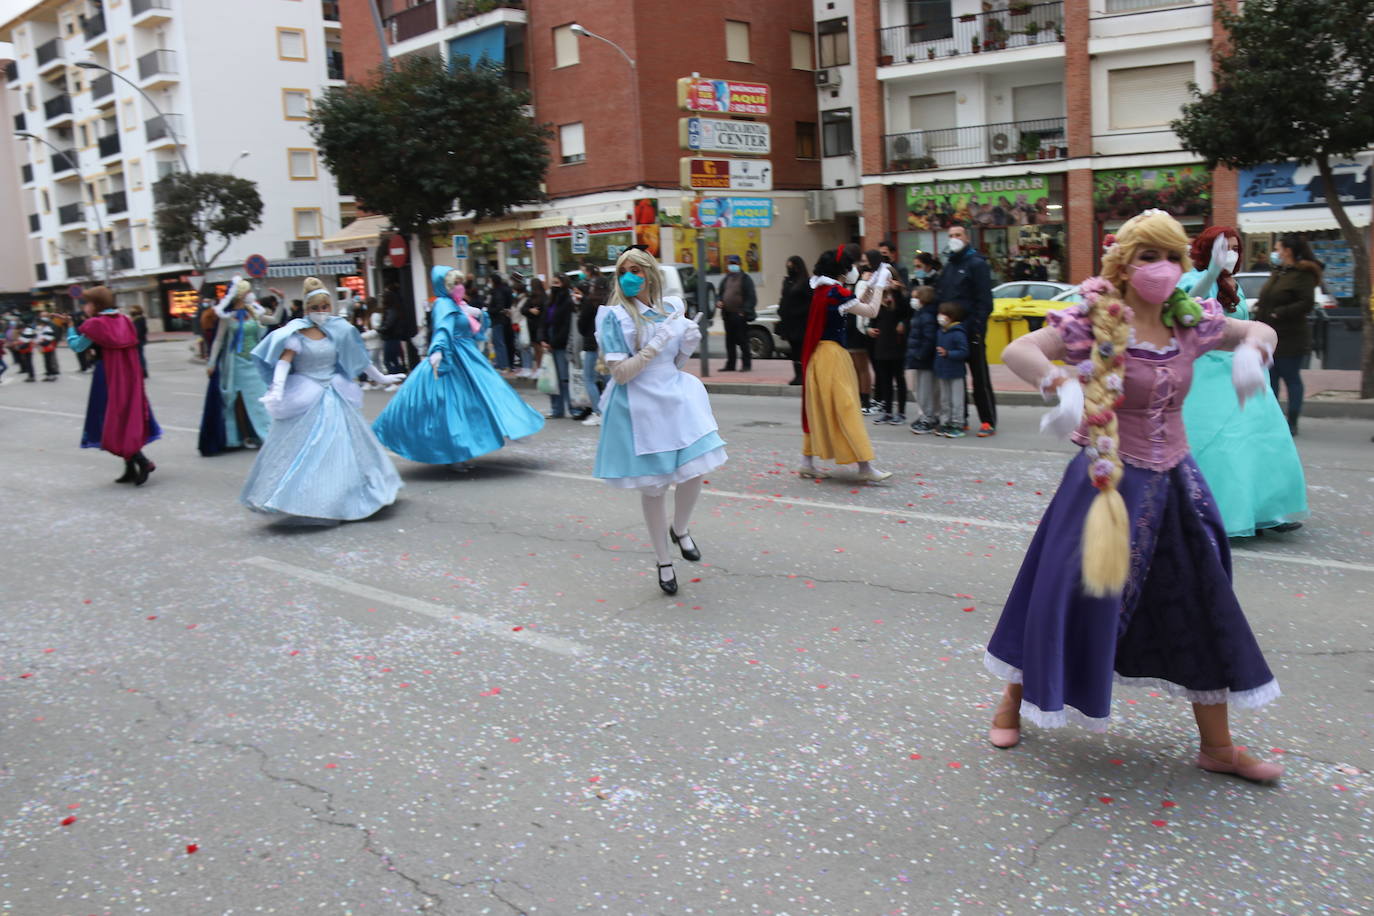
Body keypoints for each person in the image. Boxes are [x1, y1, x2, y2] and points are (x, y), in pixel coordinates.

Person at [983, 210, 1284, 784]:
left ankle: (1218, 746)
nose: (1162, 268)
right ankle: (1010, 701)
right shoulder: (1096, 319)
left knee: (1204, 600)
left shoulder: (1187, 320)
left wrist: (1255, 351)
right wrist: (1060, 382)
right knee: (1062, 592)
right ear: (1123, 264)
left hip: (1177, 485)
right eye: (1148, 257)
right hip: (1107, 481)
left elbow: (1254, 329)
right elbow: (1020, 351)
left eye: (1171, 257)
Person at [594, 247, 724, 595]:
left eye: (636, 269)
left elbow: (676, 364)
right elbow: (621, 373)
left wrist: (685, 346)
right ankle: (664, 561)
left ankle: (679, 528)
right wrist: (655, 347)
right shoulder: (614, 317)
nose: (629, 276)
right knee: (654, 487)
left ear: (651, 274)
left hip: (677, 399)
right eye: (623, 271)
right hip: (641, 406)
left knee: (694, 470)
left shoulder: (671, 310)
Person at [242, 277, 404, 523]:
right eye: (315, 308)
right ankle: (306, 499)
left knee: (345, 448)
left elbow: (360, 360)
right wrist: (277, 388)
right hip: (306, 393)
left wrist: (382, 377)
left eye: (324, 307)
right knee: (306, 450)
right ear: (306, 310)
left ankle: (346, 496)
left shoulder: (337, 332)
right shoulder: (295, 334)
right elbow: (284, 362)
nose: (320, 312)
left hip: (334, 392)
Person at [1181, 227, 1308, 537]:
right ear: (1207, 250)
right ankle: (1220, 514)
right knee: (1226, 445)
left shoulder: (1232, 283)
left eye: (1236, 248)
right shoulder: (1191, 279)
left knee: (1262, 439)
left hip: (1243, 368)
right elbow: (1188, 304)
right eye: (1225, 248)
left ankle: (1266, 511)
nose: (1231, 254)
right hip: (1209, 372)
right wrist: (1210, 273)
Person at [372, 267, 543, 467]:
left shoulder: (458, 304)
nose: (460, 287)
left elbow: (475, 330)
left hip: (467, 355)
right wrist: (438, 351)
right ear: (445, 287)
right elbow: (443, 329)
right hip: (451, 357)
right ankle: (454, 452)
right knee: (450, 406)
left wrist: (477, 314)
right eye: (455, 284)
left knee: (480, 398)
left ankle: (469, 446)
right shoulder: (444, 304)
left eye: (461, 283)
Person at [798, 245, 892, 483]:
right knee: (847, 407)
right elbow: (870, 311)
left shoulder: (822, 290)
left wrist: (869, 288)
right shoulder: (836, 293)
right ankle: (864, 465)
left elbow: (854, 305)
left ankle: (807, 462)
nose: (854, 270)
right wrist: (879, 286)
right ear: (841, 269)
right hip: (833, 355)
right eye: (851, 266)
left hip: (818, 355)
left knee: (818, 407)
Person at [66, 286, 160, 485]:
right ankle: (130, 468)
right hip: (128, 377)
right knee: (125, 417)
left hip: (107, 376)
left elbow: (77, 346)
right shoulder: (125, 320)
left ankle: (142, 462)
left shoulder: (95, 324)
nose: (85, 306)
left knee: (111, 420)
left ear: (96, 304)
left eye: (87, 303)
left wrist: (69, 327)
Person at [199, 278, 283, 456]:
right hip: (235, 363)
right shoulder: (227, 317)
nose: (250, 295)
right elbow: (219, 341)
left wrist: (280, 301)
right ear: (239, 295)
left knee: (260, 399)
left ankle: (267, 435)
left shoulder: (254, 313)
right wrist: (212, 362)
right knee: (235, 402)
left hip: (254, 362)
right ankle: (239, 436)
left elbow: (274, 319)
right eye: (247, 292)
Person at [1253, 234, 1320, 436]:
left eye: (1278, 248)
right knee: (1270, 379)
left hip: (1290, 336)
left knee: (1291, 378)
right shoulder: (1280, 271)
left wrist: (1281, 312)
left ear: (1288, 251)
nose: (1275, 252)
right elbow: (1269, 296)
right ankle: (1271, 418)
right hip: (1269, 335)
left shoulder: (1303, 274)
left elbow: (1306, 302)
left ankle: (1293, 420)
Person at [936, 225, 997, 436]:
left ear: (967, 238)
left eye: (957, 235)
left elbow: (985, 301)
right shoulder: (949, 265)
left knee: (979, 377)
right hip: (951, 331)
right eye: (950, 235)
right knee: (956, 378)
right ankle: (960, 419)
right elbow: (942, 295)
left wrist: (977, 328)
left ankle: (988, 421)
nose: (953, 238)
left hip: (972, 330)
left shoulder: (977, 264)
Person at [870, 282, 912, 425]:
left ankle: (901, 412)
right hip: (882, 342)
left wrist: (896, 291)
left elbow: (906, 313)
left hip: (896, 342)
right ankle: (887, 411)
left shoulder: (900, 296)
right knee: (885, 379)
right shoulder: (878, 295)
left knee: (899, 378)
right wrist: (870, 329)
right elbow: (873, 317)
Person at [905, 285, 941, 434]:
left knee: (925, 390)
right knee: (921, 388)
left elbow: (929, 338)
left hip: (924, 359)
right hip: (920, 357)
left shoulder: (926, 316)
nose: (913, 300)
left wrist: (920, 354)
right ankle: (927, 416)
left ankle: (928, 417)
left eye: (916, 297)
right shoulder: (921, 313)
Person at [933, 301, 971, 437]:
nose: (939, 317)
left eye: (942, 314)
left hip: (955, 372)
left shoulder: (958, 333)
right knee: (945, 399)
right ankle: (945, 422)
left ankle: (958, 423)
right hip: (942, 371)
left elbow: (964, 352)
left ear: (951, 317)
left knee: (956, 400)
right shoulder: (941, 332)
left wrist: (949, 353)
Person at [577, 273, 610, 427]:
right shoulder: (610, 301)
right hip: (607, 344)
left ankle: (598, 412)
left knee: (589, 378)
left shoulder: (590, 302)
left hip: (591, 344)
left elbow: (582, 324)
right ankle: (610, 410)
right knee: (607, 378)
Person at [541, 274, 575, 418]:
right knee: (551, 377)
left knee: (564, 378)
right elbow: (543, 321)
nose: (554, 285)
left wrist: (554, 343)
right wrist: (543, 338)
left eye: (557, 282)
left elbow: (567, 325)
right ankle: (556, 409)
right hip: (549, 340)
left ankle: (572, 408)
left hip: (561, 343)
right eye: (553, 282)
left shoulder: (568, 301)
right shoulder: (550, 300)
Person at [717, 254, 756, 372]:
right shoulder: (726, 279)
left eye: (734, 264)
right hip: (727, 314)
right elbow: (720, 294)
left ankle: (746, 364)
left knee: (743, 340)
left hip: (739, 314)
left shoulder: (745, 279)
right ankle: (730, 364)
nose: (732, 266)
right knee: (730, 342)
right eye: (730, 264)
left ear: (739, 264)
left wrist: (744, 311)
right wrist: (719, 300)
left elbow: (751, 297)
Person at [776, 255, 811, 385]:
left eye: (791, 266)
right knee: (794, 350)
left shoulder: (806, 282)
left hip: (801, 322)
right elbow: (784, 298)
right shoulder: (787, 281)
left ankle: (804, 375)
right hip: (789, 322)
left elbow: (809, 302)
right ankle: (798, 375)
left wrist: (797, 311)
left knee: (801, 349)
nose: (789, 268)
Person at [379, 283, 409, 377]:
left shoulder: (391, 311)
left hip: (390, 337)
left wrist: (380, 330)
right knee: (395, 359)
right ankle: (399, 378)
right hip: (395, 337)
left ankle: (395, 379)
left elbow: (388, 325)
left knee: (388, 360)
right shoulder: (396, 309)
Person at [487, 273, 514, 371]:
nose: (488, 283)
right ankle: (502, 363)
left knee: (499, 342)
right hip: (501, 319)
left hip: (497, 319)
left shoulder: (497, 292)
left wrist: (489, 310)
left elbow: (499, 306)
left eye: (490, 281)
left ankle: (502, 364)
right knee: (499, 342)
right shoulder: (502, 290)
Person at [128, 304, 149, 378]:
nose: (130, 311)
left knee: (139, 356)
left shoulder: (138, 319)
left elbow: (138, 331)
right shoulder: (140, 319)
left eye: (132, 309)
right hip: (140, 340)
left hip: (138, 340)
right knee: (140, 355)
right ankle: (142, 371)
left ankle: (142, 371)